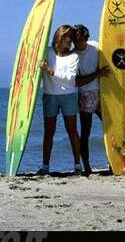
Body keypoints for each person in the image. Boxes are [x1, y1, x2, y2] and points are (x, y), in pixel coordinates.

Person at [37, 25, 82, 175]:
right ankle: (45, 167)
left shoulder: (74, 57)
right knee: (49, 132)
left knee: (72, 131)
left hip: (69, 96)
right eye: (68, 37)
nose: (70, 41)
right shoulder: (47, 52)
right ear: (60, 36)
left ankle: (77, 165)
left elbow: (71, 79)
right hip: (50, 96)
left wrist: (50, 71)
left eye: (72, 38)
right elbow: (33, 66)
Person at [73, 24, 110, 176]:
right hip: (85, 96)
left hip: (103, 93)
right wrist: (97, 74)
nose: (78, 43)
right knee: (86, 133)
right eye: (75, 40)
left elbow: (113, 55)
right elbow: (77, 82)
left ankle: (113, 162)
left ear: (87, 38)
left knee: (110, 130)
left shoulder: (95, 46)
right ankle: (87, 167)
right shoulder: (73, 56)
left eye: (80, 39)